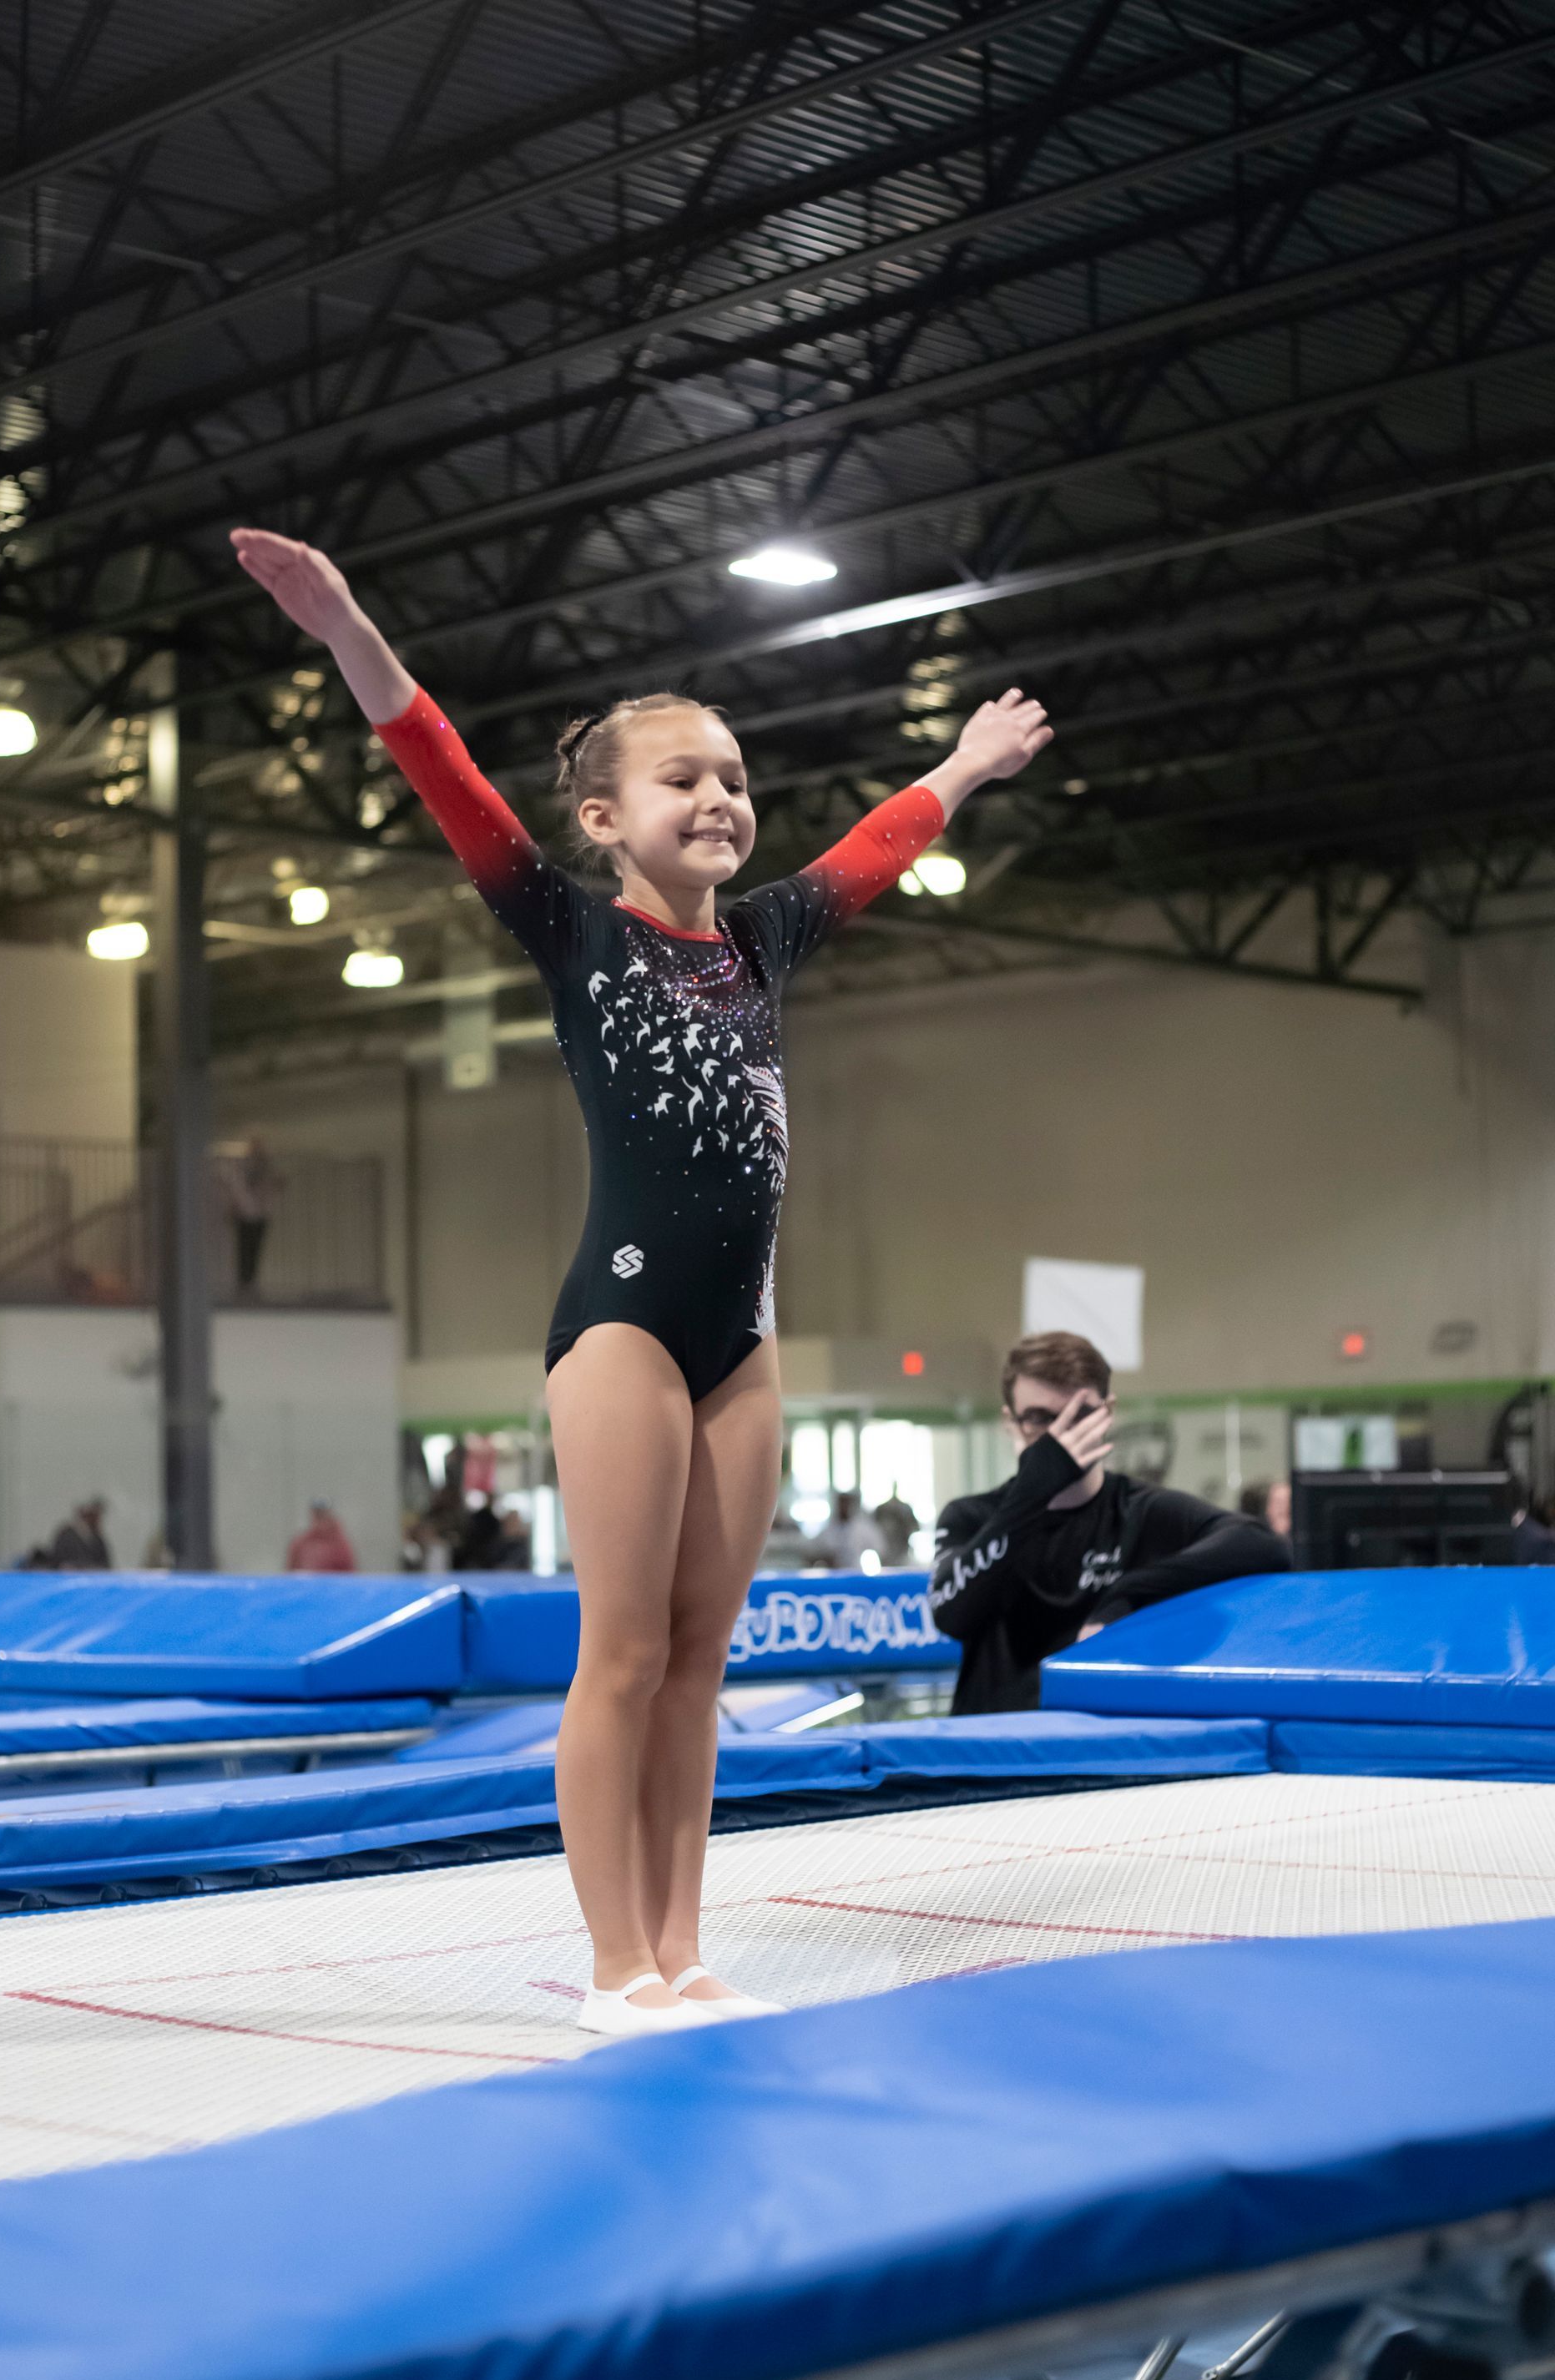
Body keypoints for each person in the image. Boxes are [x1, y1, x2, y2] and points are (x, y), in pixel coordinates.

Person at [234, 523, 1054, 2036]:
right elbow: (440, 769)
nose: (722, 798)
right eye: (686, 780)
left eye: (735, 778)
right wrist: (346, 620)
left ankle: (682, 1944)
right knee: (620, 1652)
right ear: (606, 818)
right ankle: (613, 1961)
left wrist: (965, 766)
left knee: (699, 1661)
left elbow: (872, 847)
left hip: (742, 1340)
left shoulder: (763, 944)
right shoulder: (570, 930)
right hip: (617, 1327)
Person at [931, 1333, 1290, 1716]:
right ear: (1010, 1422)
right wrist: (1031, 1493)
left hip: (1105, 1744)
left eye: (1079, 1417)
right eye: (1040, 1419)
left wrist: (1128, 1591)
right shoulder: (971, 1516)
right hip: (995, 1746)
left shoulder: (1143, 1511)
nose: (1060, 1437)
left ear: (1108, 1414)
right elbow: (952, 1615)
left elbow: (1262, 1544)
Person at [222, 1134, 284, 1295]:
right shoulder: (244, 1166)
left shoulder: (267, 1167)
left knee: (254, 1248)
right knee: (245, 1248)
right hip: (246, 1213)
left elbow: (270, 1189)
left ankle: (249, 1280)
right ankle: (244, 1280)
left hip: (259, 1213)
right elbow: (237, 1189)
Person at [805, 1490, 881, 1571]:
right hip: (835, 1575)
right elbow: (813, 1550)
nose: (843, 1507)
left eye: (846, 1503)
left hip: (859, 1574)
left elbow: (880, 1549)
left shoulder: (865, 1528)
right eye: (841, 1503)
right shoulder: (830, 1529)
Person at [285, 1501, 357, 1572]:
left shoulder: (340, 1544)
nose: (320, 1520)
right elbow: (291, 1571)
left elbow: (349, 1572)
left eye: (323, 1515)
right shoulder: (302, 1543)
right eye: (317, 1516)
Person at [48, 1497, 111, 1571]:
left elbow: (106, 1565)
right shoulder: (66, 1537)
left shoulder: (98, 1540)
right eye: (92, 1515)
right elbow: (58, 1563)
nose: (96, 1519)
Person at [871, 1487, 921, 1567]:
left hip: (903, 1553)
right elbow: (872, 1530)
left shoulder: (906, 1509)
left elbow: (915, 1527)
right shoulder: (881, 1510)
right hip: (885, 1555)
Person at [1240, 1477, 1294, 1545]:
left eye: (1289, 1501)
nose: (1285, 1506)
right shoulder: (1256, 1538)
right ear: (1267, 1509)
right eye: (1278, 1502)